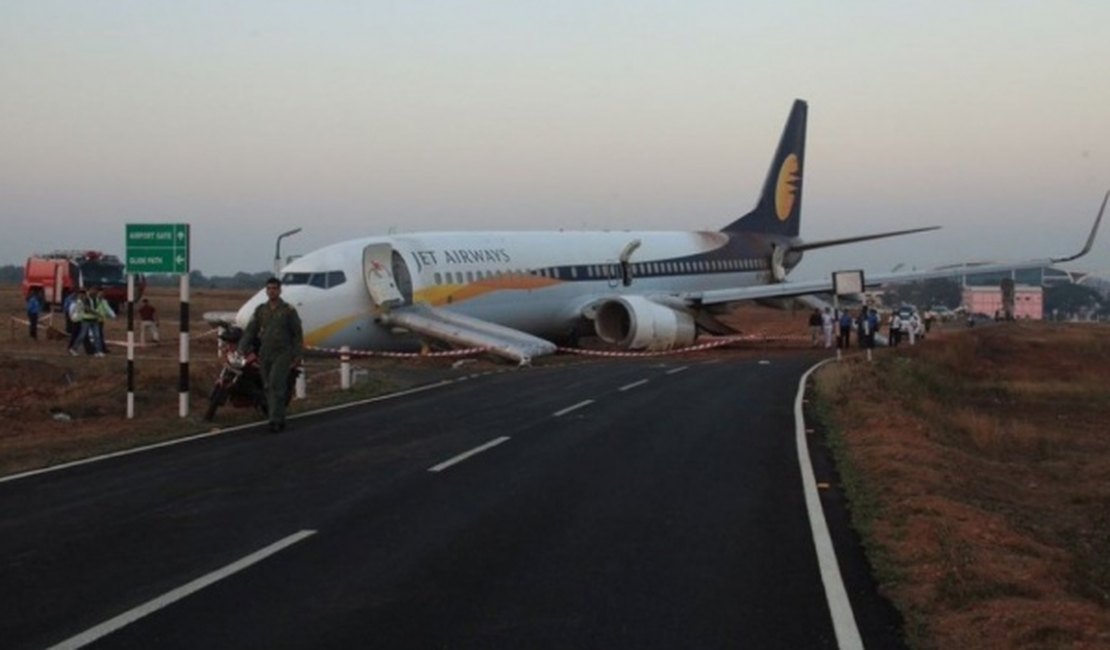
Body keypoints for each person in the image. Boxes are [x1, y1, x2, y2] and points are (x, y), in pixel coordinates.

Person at [239, 277, 304, 432]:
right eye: (268, 289)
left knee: (276, 383)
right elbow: (251, 330)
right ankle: (278, 418)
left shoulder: (288, 310)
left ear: (279, 290)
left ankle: (274, 420)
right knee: (268, 386)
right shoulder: (261, 310)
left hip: (283, 352)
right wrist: (242, 347)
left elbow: (297, 334)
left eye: (274, 288)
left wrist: (297, 355)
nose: (271, 291)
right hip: (265, 352)